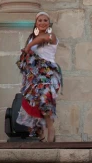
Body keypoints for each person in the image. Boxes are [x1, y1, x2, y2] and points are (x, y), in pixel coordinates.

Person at [17, 11, 61, 142]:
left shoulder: (51, 36)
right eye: (40, 20)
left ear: (49, 23)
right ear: (36, 23)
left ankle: (51, 129)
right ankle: (39, 131)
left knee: (44, 101)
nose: (42, 23)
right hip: (34, 74)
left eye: (45, 20)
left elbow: (42, 39)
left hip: (48, 73)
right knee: (31, 101)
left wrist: (29, 46)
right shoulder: (31, 38)